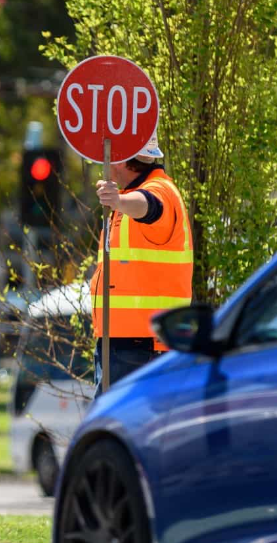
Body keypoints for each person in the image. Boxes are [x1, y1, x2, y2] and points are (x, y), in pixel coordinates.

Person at [89, 134, 193, 397]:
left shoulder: (160, 190)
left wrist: (120, 202)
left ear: (122, 159)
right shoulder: (128, 195)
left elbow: (150, 206)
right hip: (129, 345)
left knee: (119, 429)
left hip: (141, 347)